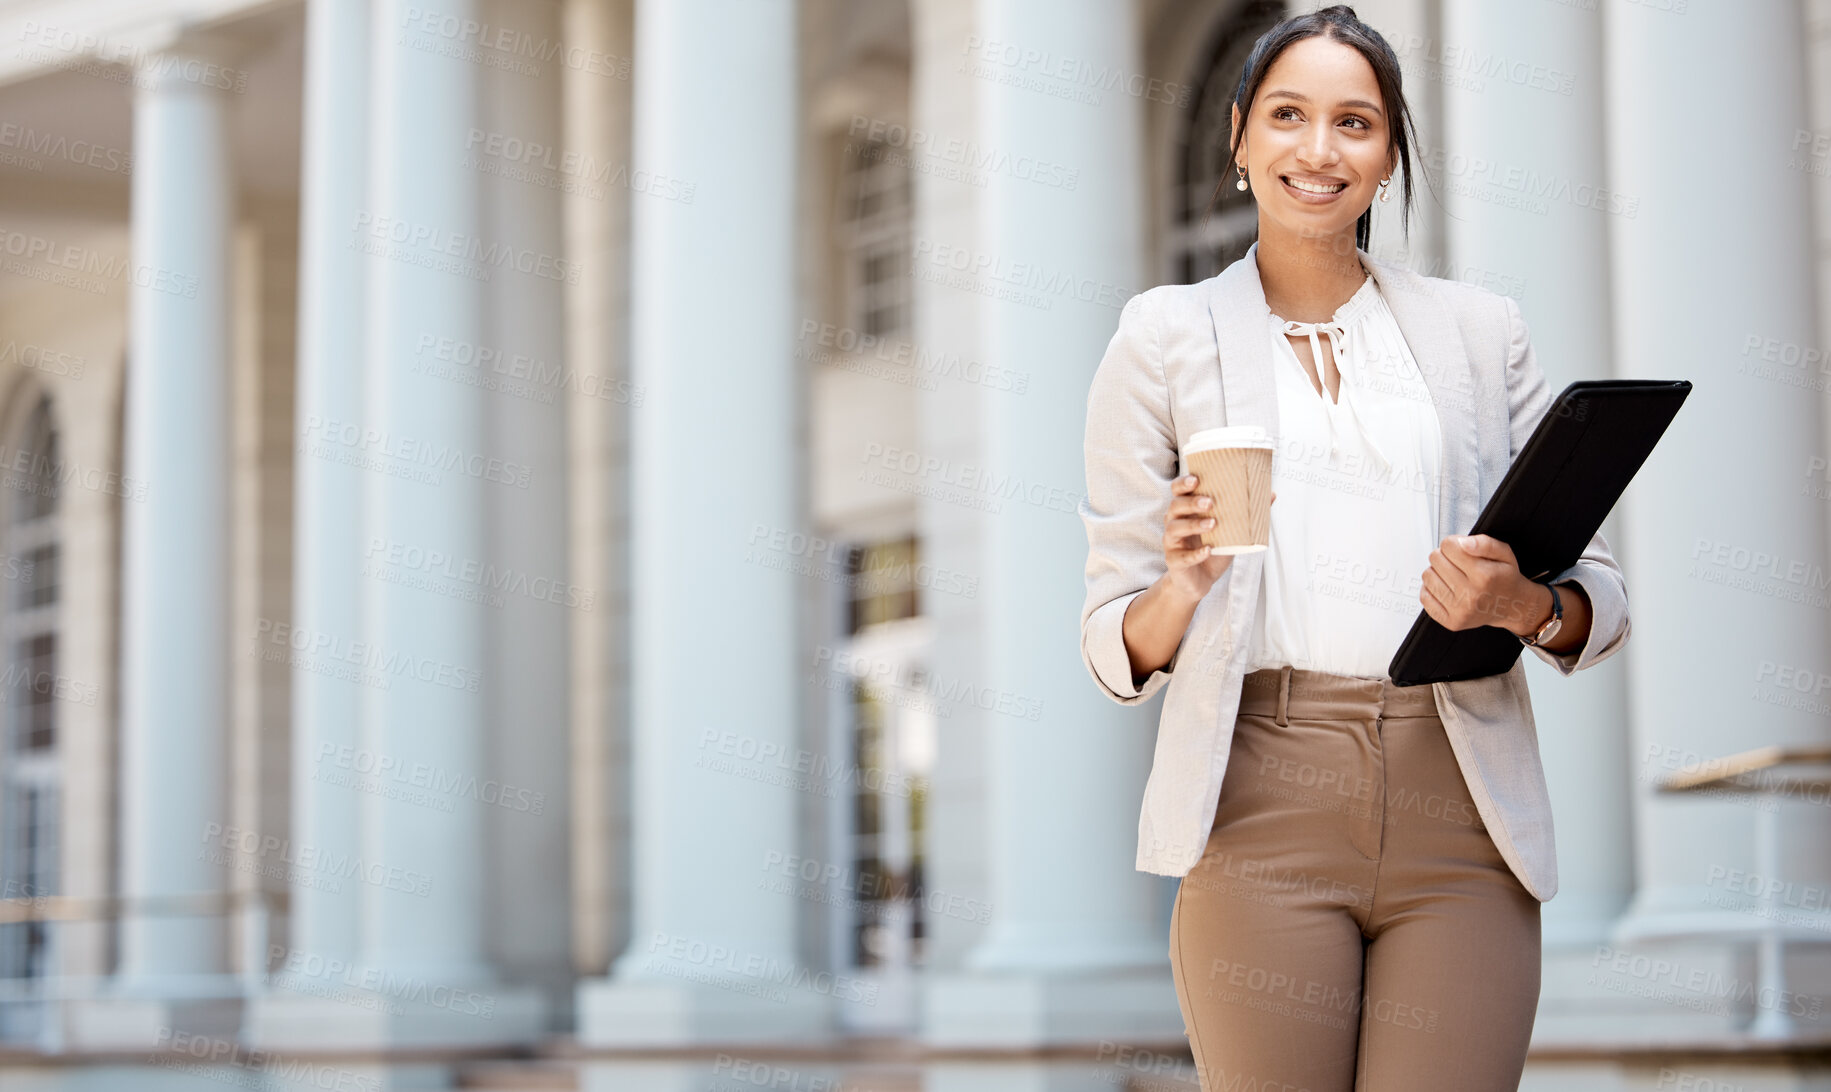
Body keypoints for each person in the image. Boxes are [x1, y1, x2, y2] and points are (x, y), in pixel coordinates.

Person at [1075, 6, 1631, 1091]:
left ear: (1388, 153)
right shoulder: (1161, 336)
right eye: (1287, 115)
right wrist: (1183, 584)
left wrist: (1517, 605)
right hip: (1258, 796)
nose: (1318, 150)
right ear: (1238, 136)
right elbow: (1111, 637)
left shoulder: (1481, 333)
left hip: (1460, 801)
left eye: (1355, 123)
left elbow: (1596, 599)